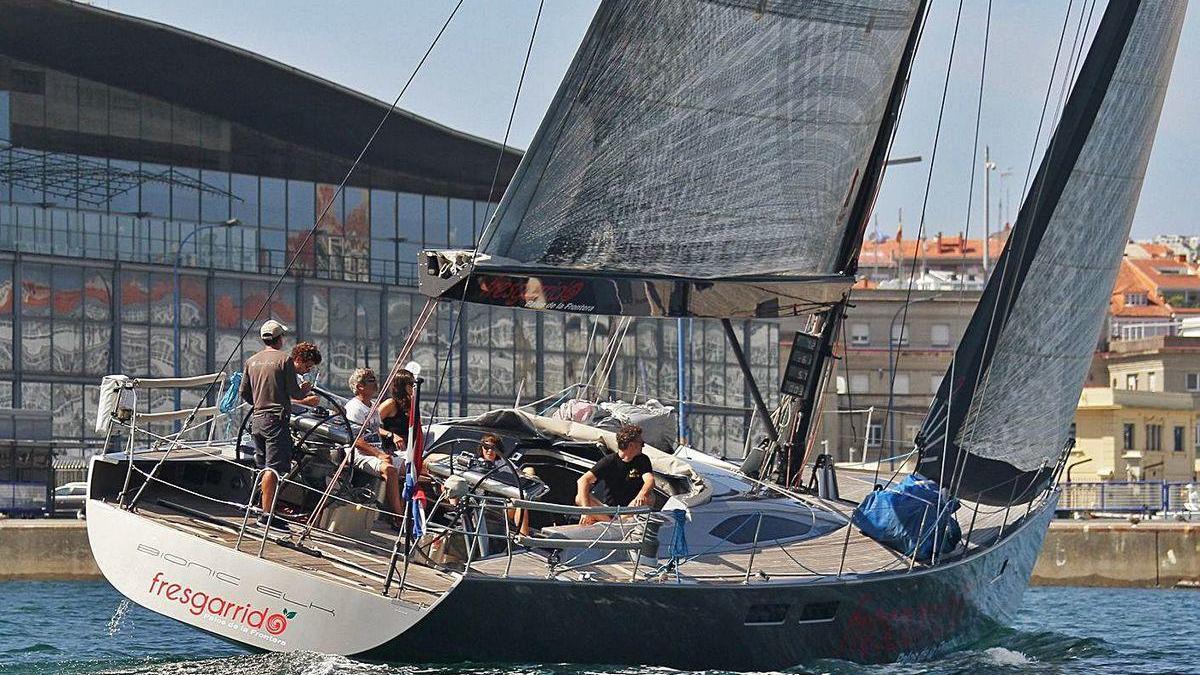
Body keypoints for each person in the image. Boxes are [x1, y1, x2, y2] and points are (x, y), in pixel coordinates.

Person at [238, 320, 321, 531]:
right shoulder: (284, 360)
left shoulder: (252, 361)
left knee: (262, 466)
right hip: (276, 420)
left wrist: (260, 404)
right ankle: (267, 516)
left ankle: (256, 506)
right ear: (280, 339)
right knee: (273, 469)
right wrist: (305, 390)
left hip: (257, 420)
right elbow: (295, 393)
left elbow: (244, 394)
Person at [343, 368, 405, 527]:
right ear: (359, 386)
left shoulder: (372, 407)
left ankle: (409, 510)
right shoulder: (354, 408)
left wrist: (389, 442)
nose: (376, 383)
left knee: (413, 468)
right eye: (371, 381)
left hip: (376, 451)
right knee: (390, 470)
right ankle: (399, 518)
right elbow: (355, 439)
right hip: (359, 454)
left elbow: (375, 429)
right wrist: (379, 455)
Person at [576, 424, 655, 526]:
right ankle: (614, 524)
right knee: (579, 498)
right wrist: (586, 511)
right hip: (609, 510)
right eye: (641, 443)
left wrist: (642, 494)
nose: (643, 446)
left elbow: (650, 480)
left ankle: (612, 523)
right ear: (631, 445)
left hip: (631, 508)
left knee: (648, 498)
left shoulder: (642, 460)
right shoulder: (609, 461)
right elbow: (583, 481)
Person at [474, 433, 532, 536]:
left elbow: (519, 475)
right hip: (484, 505)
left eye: (493, 448)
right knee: (520, 504)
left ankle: (524, 537)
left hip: (502, 503)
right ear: (481, 448)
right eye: (486, 447)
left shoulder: (504, 463)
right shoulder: (475, 464)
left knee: (521, 504)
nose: (490, 451)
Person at [376, 369, 415, 455]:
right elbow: (371, 426)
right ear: (403, 386)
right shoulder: (391, 404)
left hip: (410, 450)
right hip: (394, 451)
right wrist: (392, 435)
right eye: (412, 384)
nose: (414, 387)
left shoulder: (412, 405)